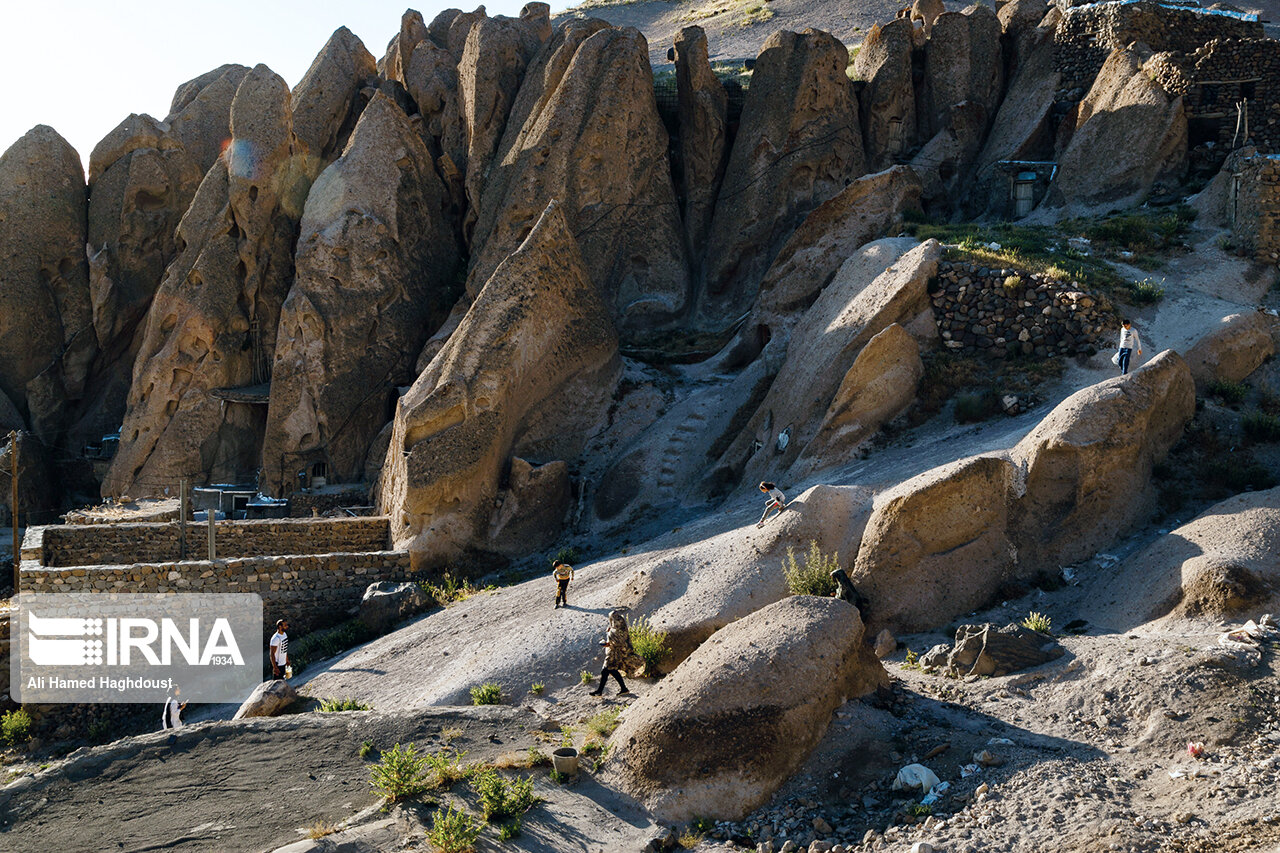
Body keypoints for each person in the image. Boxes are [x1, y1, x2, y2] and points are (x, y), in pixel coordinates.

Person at [589, 610, 640, 697]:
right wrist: (608, 633)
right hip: (612, 652)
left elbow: (620, 641)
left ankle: (600, 691)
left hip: (615, 653)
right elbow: (612, 637)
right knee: (611, 670)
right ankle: (622, 689)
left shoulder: (620, 629)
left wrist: (608, 644)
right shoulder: (614, 628)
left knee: (605, 670)